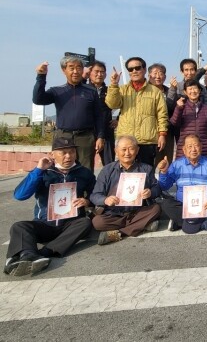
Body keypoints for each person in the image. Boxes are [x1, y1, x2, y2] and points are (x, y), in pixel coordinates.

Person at [4, 137, 94, 277]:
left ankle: (43, 253)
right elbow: (20, 195)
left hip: (70, 225)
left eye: (72, 152)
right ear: (52, 154)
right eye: (63, 153)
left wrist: (87, 201)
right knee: (19, 226)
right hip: (45, 224)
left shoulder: (84, 173)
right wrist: (38, 170)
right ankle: (27, 255)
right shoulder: (44, 173)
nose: (68, 156)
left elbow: (96, 194)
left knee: (86, 223)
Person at [33, 55, 105, 170]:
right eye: (71, 68)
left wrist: (100, 137)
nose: (75, 71)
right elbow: (38, 99)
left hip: (85, 138)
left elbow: (98, 116)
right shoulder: (57, 91)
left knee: (85, 171)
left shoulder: (91, 92)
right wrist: (41, 76)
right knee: (62, 169)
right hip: (63, 136)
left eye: (79, 68)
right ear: (64, 70)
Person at [90, 135, 162, 245]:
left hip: (137, 211)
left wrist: (150, 192)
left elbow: (157, 188)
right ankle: (141, 225)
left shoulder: (146, 169)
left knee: (156, 209)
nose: (127, 153)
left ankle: (119, 233)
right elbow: (95, 195)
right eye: (123, 149)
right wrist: (105, 200)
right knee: (97, 222)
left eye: (131, 149)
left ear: (137, 150)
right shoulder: (107, 170)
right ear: (116, 151)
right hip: (114, 214)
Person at [105, 57, 169, 168]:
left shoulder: (155, 91)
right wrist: (114, 84)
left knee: (146, 171)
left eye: (137, 68)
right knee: (125, 172)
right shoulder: (122, 89)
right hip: (126, 140)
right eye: (130, 69)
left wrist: (162, 134)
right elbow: (112, 104)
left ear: (144, 69)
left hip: (147, 141)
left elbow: (162, 115)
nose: (134, 71)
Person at [158, 134, 207, 233]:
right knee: (165, 204)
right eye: (189, 146)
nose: (193, 149)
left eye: (196, 146)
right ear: (184, 150)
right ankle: (202, 223)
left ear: (201, 147)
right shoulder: (176, 165)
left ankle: (178, 222)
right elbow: (164, 186)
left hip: (204, 204)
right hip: (183, 205)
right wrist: (164, 172)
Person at [170, 79, 207, 160]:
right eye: (190, 89)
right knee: (184, 167)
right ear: (185, 92)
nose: (193, 91)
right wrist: (179, 108)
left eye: (195, 88)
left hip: (204, 147)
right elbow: (174, 123)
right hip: (185, 147)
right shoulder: (181, 107)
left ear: (199, 90)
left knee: (204, 167)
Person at [148, 62, 177, 165]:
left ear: (165, 76)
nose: (158, 76)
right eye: (155, 73)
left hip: (167, 131)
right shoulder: (143, 91)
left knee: (166, 161)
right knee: (149, 162)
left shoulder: (169, 90)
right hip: (149, 131)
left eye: (161, 73)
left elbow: (170, 108)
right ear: (149, 75)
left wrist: (173, 90)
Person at [88, 61, 116, 166]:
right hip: (88, 132)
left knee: (109, 165)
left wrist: (118, 119)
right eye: (96, 71)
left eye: (102, 72)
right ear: (90, 73)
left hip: (106, 132)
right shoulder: (84, 90)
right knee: (86, 164)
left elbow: (124, 104)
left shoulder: (109, 90)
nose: (99, 74)